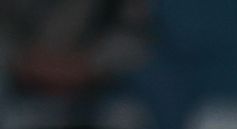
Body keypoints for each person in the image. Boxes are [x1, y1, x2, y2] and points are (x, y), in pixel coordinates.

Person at [0, 0, 149, 104]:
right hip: (18, 91)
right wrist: (24, 62)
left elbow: (134, 37)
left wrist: (89, 66)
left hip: (98, 99)